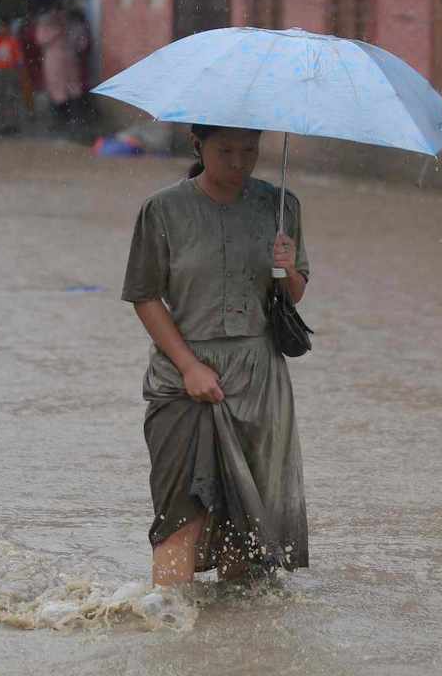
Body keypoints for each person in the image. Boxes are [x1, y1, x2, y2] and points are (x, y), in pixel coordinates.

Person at [121, 123, 311, 587]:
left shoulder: (280, 207)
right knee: (180, 512)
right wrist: (189, 366)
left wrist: (286, 268)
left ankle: (234, 649)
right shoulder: (162, 210)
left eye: (249, 150)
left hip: (257, 381)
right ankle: (169, 632)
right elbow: (145, 296)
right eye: (224, 150)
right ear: (196, 145)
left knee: (246, 530)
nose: (238, 162)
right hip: (182, 380)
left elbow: (295, 295)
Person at [33, 0, 83, 125]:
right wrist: (57, 32)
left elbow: (80, 41)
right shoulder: (47, 23)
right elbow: (40, 40)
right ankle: (63, 118)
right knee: (59, 88)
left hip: (65, 59)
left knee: (70, 88)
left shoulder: (69, 23)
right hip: (57, 59)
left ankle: (70, 118)